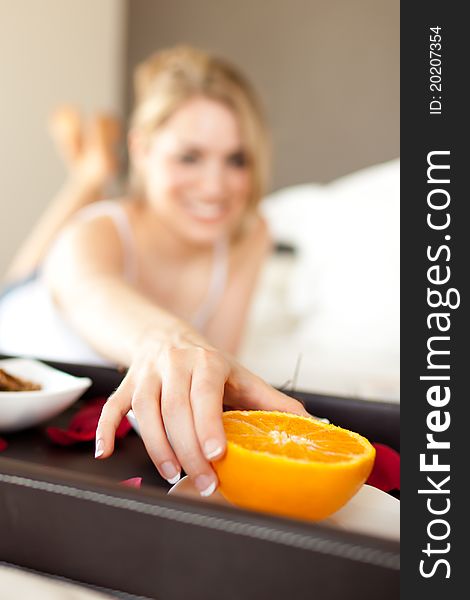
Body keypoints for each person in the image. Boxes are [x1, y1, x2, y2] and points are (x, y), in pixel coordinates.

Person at [0, 46, 307, 496]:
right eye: (189, 157)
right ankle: (88, 177)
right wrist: (168, 342)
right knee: (31, 274)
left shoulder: (249, 233)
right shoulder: (97, 233)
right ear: (141, 150)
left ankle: (89, 173)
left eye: (236, 160)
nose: (216, 186)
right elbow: (91, 290)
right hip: (19, 320)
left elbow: (215, 356)